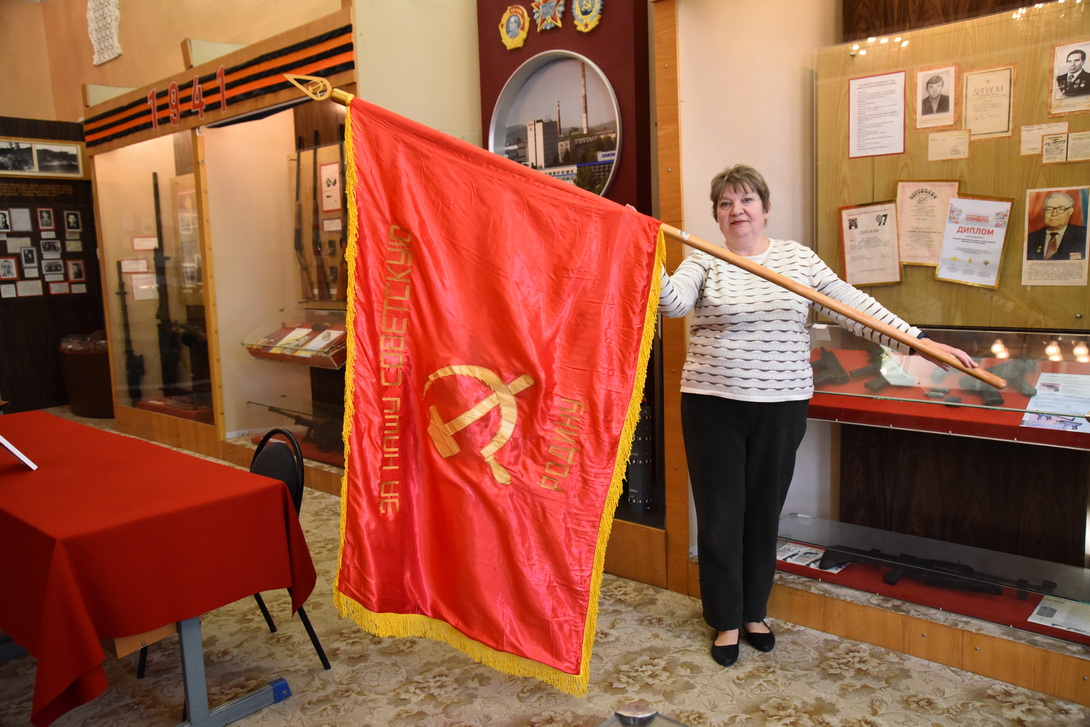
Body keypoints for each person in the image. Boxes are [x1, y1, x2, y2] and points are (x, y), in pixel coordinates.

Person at [658, 164, 977, 668]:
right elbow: (672, 304)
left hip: (781, 406)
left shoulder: (798, 259)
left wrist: (920, 343)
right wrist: (644, 253)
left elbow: (852, 306)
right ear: (716, 215)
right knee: (721, 518)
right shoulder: (705, 258)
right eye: (725, 203)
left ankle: (754, 613)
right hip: (712, 405)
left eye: (746, 200)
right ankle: (725, 618)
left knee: (763, 514)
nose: (737, 210)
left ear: (765, 208)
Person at [1027, 192, 1087, 260]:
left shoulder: (1084, 235)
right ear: (1043, 212)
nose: (1054, 214)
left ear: (1070, 211)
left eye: (1060, 209)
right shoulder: (1030, 239)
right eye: (1049, 209)